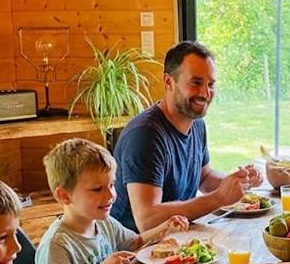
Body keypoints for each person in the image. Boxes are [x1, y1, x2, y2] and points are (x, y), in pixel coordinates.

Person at [111, 41, 261, 232]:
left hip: (179, 240)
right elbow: (146, 220)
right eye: (196, 82)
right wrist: (219, 198)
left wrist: (238, 183)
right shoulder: (145, 135)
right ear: (168, 82)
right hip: (136, 252)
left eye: (211, 84)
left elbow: (204, 177)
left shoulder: (196, 123)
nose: (206, 93)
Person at [37, 138, 188, 264]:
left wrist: (166, 227)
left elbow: (136, 242)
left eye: (112, 185)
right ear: (64, 196)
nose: (111, 195)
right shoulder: (57, 244)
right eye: (97, 189)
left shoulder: (104, 222)